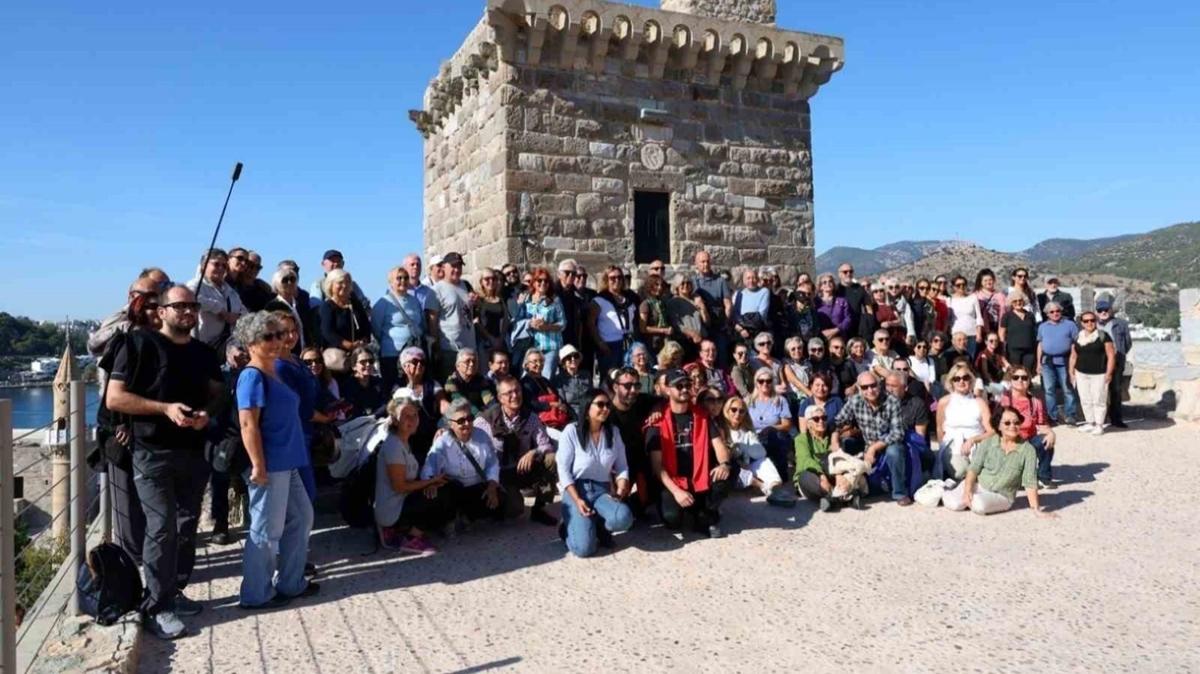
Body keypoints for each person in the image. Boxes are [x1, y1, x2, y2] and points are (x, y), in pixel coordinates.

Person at [105, 286, 223, 639]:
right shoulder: (138, 344)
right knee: (161, 526)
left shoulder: (203, 352)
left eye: (192, 306)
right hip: (151, 452)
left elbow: (219, 394)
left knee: (186, 527)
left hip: (193, 451)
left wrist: (206, 415)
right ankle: (156, 605)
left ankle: (173, 592)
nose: (188, 311)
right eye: (180, 306)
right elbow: (114, 398)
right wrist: (165, 409)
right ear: (162, 310)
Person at [233, 312, 317, 610]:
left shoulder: (275, 371)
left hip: (289, 461)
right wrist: (258, 465)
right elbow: (248, 424)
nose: (277, 341)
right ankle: (256, 593)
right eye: (268, 336)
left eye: (279, 334)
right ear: (250, 343)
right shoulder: (251, 376)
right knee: (266, 531)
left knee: (302, 517)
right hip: (270, 464)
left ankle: (291, 582)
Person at [90, 276, 162, 564]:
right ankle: (133, 566)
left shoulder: (156, 338)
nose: (156, 308)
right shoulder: (123, 334)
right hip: (120, 427)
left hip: (144, 429)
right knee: (128, 505)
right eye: (150, 302)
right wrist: (119, 423)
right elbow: (115, 389)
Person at [646, 369, 736, 538]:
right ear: (667, 389)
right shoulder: (657, 420)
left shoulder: (701, 416)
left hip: (697, 476)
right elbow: (657, 467)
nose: (684, 389)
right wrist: (676, 492)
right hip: (672, 480)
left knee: (729, 471)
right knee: (673, 520)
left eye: (687, 385)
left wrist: (724, 464)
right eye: (679, 386)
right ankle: (694, 509)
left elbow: (719, 446)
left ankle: (704, 514)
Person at [555, 389, 634, 557]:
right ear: (587, 407)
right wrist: (577, 500)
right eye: (600, 404)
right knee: (584, 549)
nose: (605, 408)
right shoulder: (571, 431)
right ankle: (567, 529)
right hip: (577, 489)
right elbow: (563, 469)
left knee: (624, 517)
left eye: (608, 405)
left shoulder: (613, 432)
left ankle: (596, 526)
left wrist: (620, 491)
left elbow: (622, 467)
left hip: (601, 490)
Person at [940, 407, 1054, 518]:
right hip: (979, 485)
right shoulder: (988, 442)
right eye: (1007, 423)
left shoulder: (1028, 450)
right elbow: (974, 468)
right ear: (998, 426)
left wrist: (1036, 509)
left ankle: (965, 498)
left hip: (1002, 496)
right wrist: (967, 490)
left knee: (980, 505)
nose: (1013, 426)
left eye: (1016, 422)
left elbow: (1030, 482)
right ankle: (947, 489)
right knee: (954, 504)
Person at [475, 375, 558, 524]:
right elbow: (466, 434)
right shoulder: (486, 420)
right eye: (509, 393)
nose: (515, 396)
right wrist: (444, 430)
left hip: (521, 469)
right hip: (497, 474)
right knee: (515, 510)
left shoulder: (530, 417)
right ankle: (496, 505)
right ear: (500, 398)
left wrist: (534, 452)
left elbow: (546, 445)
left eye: (518, 391)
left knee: (550, 458)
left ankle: (539, 509)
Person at [831, 372, 913, 506]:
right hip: (867, 447)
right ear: (859, 388)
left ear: (879, 385)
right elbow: (837, 422)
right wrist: (834, 439)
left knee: (894, 451)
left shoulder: (892, 401)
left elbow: (897, 433)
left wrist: (873, 448)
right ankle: (843, 493)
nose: (870, 390)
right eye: (865, 387)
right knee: (846, 449)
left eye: (873, 385)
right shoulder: (855, 401)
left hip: (888, 445)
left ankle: (900, 493)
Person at [375, 398, 445, 553]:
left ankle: (412, 530)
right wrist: (430, 482)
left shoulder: (404, 441)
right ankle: (410, 537)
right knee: (438, 494)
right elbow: (399, 487)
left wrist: (432, 482)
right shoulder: (393, 446)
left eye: (415, 415)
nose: (412, 420)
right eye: (406, 416)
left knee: (440, 488)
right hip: (393, 509)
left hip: (403, 500)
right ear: (394, 420)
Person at [419, 399, 504, 527]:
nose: (467, 423)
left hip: (476, 487)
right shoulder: (443, 441)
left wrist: (492, 485)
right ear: (450, 424)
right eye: (460, 421)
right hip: (454, 490)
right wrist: (430, 482)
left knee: (503, 501)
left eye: (469, 418)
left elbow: (492, 463)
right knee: (438, 495)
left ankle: (468, 516)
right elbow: (429, 466)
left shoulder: (482, 436)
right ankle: (452, 518)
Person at [607, 367, 660, 517]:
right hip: (617, 466)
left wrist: (656, 410)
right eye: (627, 386)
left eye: (636, 385)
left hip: (641, 461)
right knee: (616, 512)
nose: (632, 390)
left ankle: (637, 504)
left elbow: (663, 401)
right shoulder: (606, 413)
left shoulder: (641, 400)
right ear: (615, 387)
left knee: (655, 494)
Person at [719, 397, 790, 505]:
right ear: (727, 410)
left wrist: (741, 447)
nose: (737, 414)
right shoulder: (721, 429)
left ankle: (775, 488)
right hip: (732, 470)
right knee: (736, 468)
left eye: (741, 411)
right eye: (734, 410)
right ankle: (765, 487)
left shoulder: (747, 431)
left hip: (747, 463)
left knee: (764, 461)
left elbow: (760, 453)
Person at [998, 366, 1056, 489]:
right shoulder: (1004, 400)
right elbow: (997, 424)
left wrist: (1051, 433)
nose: (1020, 380)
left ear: (1029, 381)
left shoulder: (1035, 402)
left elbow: (1042, 424)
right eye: (1016, 377)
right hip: (1009, 440)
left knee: (1045, 441)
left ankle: (1043, 477)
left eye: (1024, 378)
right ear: (1010, 380)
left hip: (1028, 439)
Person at [934, 363, 994, 480]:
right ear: (952, 382)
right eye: (957, 379)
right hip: (952, 445)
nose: (961, 381)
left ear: (971, 381)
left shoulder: (980, 402)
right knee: (960, 472)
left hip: (976, 443)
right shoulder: (944, 402)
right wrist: (943, 452)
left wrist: (973, 440)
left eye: (965, 378)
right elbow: (939, 428)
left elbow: (991, 431)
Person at [794, 406, 861, 511]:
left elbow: (839, 459)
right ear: (808, 424)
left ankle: (832, 499)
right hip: (812, 475)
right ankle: (844, 498)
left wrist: (838, 474)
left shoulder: (833, 438)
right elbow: (805, 460)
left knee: (844, 467)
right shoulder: (801, 439)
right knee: (806, 477)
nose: (821, 421)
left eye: (824, 418)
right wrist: (821, 475)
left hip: (832, 476)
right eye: (816, 419)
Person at [371, 265, 426, 393]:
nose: (403, 281)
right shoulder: (383, 303)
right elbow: (376, 328)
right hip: (392, 355)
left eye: (406, 278)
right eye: (399, 278)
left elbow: (421, 323)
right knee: (396, 389)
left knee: (414, 387)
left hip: (414, 353)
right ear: (391, 282)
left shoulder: (414, 301)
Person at [431, 252, 477, 382]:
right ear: (444, 267)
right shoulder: (436, 290)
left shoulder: (466, 285)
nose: (457, 269)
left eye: (459, 266)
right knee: (451, 386)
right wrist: (437, 348)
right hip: (450, 349)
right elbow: (432, 321)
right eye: (453, 266)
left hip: (469, 347)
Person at [744, 368, 794, 487]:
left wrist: (770, 428)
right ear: (756, 382)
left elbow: (787, 425)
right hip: (754, 437)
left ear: (773, 382)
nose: (765, 384)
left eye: (768, 381)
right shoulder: (748, 401)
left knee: (775, 435)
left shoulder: (780, 400)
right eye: (761, 381)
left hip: (775, 436)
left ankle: (780, 471)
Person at [189, 248, 246, 352]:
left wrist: (237, 318)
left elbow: (245, 314)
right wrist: (220, 310)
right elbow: (191, 299)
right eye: (216, 264)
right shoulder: (195, 285)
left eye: (224, 266)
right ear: (204, 265)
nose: (220, 268)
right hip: (204, 346)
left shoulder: (231, 292)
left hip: (230, 346)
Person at [395, 346, 444, 462]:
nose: (419, 365)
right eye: (415, 362)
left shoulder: (433, 385)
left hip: (431, 433)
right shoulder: (398, 389)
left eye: (422, 362)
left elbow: (443, 404)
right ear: (404, 366)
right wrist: (411, 383)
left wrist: (446, 425)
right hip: (409, 437)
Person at [1070, 311, 1116, 435]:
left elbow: (1111, 356)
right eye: (1086, 321)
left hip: (1099, 373)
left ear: (1096, 321)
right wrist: (1071, 372)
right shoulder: (1078, 337)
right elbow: (1073, 356)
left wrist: (1109, 373)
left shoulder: (1103, 336)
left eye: (1092, 320)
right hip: (1081, 373)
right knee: (1085, 399)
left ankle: (1099, 424)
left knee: (1099, 399)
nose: (1089, 323)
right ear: (1082, 323)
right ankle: (1089, 422)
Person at [589, 265, 637, 383]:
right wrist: (600, 343)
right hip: (609, 345)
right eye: (612, 278)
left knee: (628, 378)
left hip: (628, 344)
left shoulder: (630, 298)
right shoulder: (599, 300)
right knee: (610, 379)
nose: (617, 280)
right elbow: (590, 324)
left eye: (620, 277)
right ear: (606, 280)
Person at [1037, 301, 1080, 425]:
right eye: (1052, 312)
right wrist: (1038, 363)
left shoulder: (1070, 325)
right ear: (1047, 314)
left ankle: (1070, 415)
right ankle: (1052, 417)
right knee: (1049, 390)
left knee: (1068, 389)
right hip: (1047, 362)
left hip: (1065, 361)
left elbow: (1074, 344)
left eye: (1057, 311)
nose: (1055, 313)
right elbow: (1040, 345)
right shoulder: (1042, 327)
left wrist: (1073, 361)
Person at [520, 267, 565, 378]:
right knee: (529, 377)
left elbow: (563, 323)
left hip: (550, 346)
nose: (543, 283)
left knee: (547, 376)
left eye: (546, 281)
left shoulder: (555, 300)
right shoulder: (527, 299)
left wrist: (546, 327)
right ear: (534, 283)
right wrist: (530, 324)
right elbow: (519, 320)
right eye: (539, 280)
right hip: (531, 346)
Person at [692, 250, 733, 367]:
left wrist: (726, 321)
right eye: (702, 262)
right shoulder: (694, 281)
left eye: (707, 261)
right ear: (696, 264)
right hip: (702, 324)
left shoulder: (720, 281)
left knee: (721, 354)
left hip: (719, 323)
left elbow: (728, 304)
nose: (705, 264)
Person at [318, 268, 372, 355]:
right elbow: (327, 332)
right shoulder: (327, 307)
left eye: (347, 282)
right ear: (331, 285)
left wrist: (363, 340)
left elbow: (366, 326)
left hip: (359, 352)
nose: (344, 285)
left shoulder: (356, 304)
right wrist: (348, 345)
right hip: (337, 355)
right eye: (340, 282)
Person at [1097, 299, 1132, 428]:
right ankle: (1099, 418)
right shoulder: (1092, 324)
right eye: (1100, 310)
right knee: (1099, 390)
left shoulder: (1121, 324)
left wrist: (1120, 353)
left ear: (1111, 310)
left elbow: (1128, 342)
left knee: (1116, 390)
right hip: (1098, 362)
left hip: (1116, 361)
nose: (1103, 312)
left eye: (1106, 309)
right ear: (1097, 312)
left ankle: (1116, 419)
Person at [265, 266, 314, 355]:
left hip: (304, 353)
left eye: (292, 279)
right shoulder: (272, 307)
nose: (289, 283)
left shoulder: (301, 305)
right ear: (277, 284)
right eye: (285, 280)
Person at [521, 349, 570, 438]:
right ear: (527, 364)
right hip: (540, 422)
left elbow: (558, 397)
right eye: (534, 361)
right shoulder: (525, 382)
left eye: (541, 361)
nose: (539, 364)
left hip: (557, 419)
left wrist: (562, 405)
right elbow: (531, 403)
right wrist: (552, 404)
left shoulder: (545, 381)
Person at [664, 274, 707, 361]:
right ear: (677, 286)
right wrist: (692, 334)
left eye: (688, 283)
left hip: (701, 340)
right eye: (682, 283)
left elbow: (706, 322)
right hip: (685, 341)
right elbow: (676, 323)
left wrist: (702, 308)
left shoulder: (696, 300)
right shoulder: (673, 302)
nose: (685, 286)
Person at [442, 348, 495, 415]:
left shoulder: (481, 380)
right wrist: (479, 415)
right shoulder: (451, 382)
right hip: (457, 416)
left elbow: (488, 398)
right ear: (457, 366)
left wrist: (495, 411)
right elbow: (460, 401)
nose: (471, 364)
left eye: (474, 361)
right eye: (467, 361)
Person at [341, 346, 388, 418]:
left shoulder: (379, 382)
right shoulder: (348, 386)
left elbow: (385, 404)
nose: (368, 364)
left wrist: (374, 416)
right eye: (363, 362)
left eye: (371, 361)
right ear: (354, 366)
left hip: (377, 419)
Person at [731, 267, 774, 345]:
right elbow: (736, 315)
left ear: (757, 279)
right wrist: (740, 329)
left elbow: (761, 315)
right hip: (741, 334)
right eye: (748, 278)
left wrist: (745, 327)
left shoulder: (764, 292)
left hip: (758, 332)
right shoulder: (739, 294)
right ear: (744, 281)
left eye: (753, 278)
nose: (751, 281)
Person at [999, 289, 1038, 372]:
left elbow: (1034, 332)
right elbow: (1002, 334)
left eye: (1020, 300)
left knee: (1028, 372)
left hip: (1029, 350)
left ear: (1023, 301)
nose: (1018, 303)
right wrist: (1002, 350)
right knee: (1015, 372)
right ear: (1011, 303)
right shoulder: (1007, 316)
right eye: (1015, 301)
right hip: (1013, 350)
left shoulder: (1030, 315)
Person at [226, 248, 274, 312]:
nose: (253, 270)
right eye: (250, 265)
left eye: (257, 267)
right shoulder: (230, 285)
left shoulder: (263, 290)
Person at [947, 275, 983, 358]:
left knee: (971, 358)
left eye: (963, 284)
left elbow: (978, 317)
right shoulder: (949, 300)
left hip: (971, 334)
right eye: (958, 285)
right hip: (956, 335)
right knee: (957, 358)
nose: (961, 287)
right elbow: (948, 319)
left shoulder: (973, 298)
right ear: (953, 287)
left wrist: (979, 333)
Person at [638, 273, 672, 354]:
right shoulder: (645, 304)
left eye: (661, 285)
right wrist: (663, 330)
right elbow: (643, 328)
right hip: (652, 343)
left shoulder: (662, 303)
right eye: (656, 285)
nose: (659, 288)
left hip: (664, 342)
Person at [836, 263, 870, 339]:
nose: (848, 274)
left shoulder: (859, 289)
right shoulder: (836, 290)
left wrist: (869, 325)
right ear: (839, 274)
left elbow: (869, 309)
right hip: (841, 330)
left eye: (851, 271)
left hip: (858, 329)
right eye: (845, 272)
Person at [972, 268, 1006, 337]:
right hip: (982, 328)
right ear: (981, 282)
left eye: (990, 280)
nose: (988, 282)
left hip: (997, 327)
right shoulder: (975, 295)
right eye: (985, 280)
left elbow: (1004, 312)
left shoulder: (1000, 295)